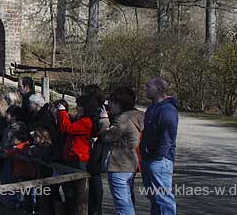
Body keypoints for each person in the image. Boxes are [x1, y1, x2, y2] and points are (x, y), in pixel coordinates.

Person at [98, 87, 144, 215]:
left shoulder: (123, 119)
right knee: (128, 199)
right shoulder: (137, 116)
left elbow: (107, 136)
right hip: (130, 163)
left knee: (122, 203)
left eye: (112, 102)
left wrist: (104, 120)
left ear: (120, 103)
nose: (109, 105)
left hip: (118, 164)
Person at [55, 95, 99, 215]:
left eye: (79, 105)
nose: (77, 107)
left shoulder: (86, 122)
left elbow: (67, 128)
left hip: (79, 158)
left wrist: (62, 112)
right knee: (70, 190)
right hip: (72, 157)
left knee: (78, 191)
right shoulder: (82, 120)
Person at [141, 77, 178, 215]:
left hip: (160, 161)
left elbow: (168, 137)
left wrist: (157, 157)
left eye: (148, 86)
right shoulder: (151, 108)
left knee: (163, 198)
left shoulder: (167, 110)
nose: (145, 89)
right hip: (148, 158)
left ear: (158, 89)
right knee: (153, 197)